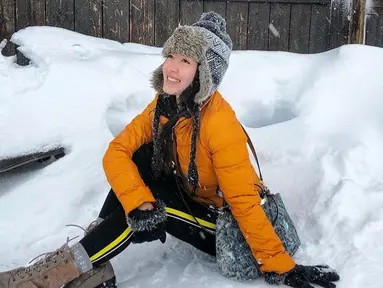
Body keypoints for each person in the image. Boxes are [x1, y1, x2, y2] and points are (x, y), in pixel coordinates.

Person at [0, 12, 340, 288]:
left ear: (205, 73)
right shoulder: (164, 105)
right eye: (170, 56)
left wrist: (282, 266)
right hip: (190, 197)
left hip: (220, 228)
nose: (172, 68)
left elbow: (243, 204)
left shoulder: (219, 123)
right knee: (139, 159)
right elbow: (116, 151)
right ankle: (92, 263)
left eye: (186, 61)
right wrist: (138, 202)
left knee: (150, 203)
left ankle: (52, 277)